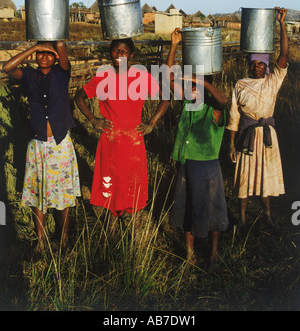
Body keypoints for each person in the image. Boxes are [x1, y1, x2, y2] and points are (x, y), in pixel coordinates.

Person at [74, 38, 169, 220]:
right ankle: (112, 220)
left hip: (133, 139)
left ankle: (133, 221)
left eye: (124, 51)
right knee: (111, 178)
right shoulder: (103, 78)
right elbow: (79, 97)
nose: (119, 55)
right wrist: (94, 120)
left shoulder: (141, 77)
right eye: (116, 50)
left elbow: (165, 98)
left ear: (131, 55)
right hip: (110, 139)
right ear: (111, 53)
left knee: (133, 179)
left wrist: (151, 123)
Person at [2, 41, 80, 253]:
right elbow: (7, 68)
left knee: (63, 192)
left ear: (55, 57)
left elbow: (62, 45)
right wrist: (34, 48)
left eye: (49, 53)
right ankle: (41, 241)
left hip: (60, 142)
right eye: (41, 54)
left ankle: (63, 236)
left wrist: (53, 43)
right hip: (38, 144)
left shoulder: (62, 74)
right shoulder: (29, 76)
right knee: (39, 193)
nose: (44, 57)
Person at [167, 28, 229, 268]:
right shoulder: (188, 103)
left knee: (213, 208)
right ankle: (190, 254)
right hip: (185, 161)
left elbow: (223, 100)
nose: (195, 90)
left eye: (201, 86)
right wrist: (174, 45)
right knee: (188, 207)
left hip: (206, 165)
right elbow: (170, 79)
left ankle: (214, 253)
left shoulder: (214, 109)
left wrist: (199, 80)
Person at [227, 7, 288, 227]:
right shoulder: (241, 85)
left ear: (267, 66)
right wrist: (232, 144)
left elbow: (283, 56)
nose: (256, 67)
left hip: (267, 137)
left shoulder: (273, 81)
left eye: (261, 63)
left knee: (265, 175)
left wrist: (281, 23)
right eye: (253, 64)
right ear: (249, 66)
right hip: (246, 135)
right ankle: (242, 218)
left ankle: (268, 216)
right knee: (244, 175)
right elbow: (234, 116)